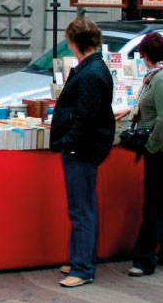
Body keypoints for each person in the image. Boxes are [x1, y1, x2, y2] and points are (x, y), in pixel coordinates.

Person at [49, 17, 115, 288]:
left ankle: (83, 267)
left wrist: (69, 140)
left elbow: (86, 117)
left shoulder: (90, 73)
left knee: (81, 209)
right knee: (80, 207)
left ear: (74, 43)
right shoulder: (94, 68)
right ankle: (79, 259)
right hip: (84, 146)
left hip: (82, 148)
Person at [115, 33, 163, 276]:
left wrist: (151, 147)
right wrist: (129, 111)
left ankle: (144, 260)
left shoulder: (162, 80)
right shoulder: (159, 76)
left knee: (153, 206)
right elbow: (152, 109)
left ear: (146, 55)